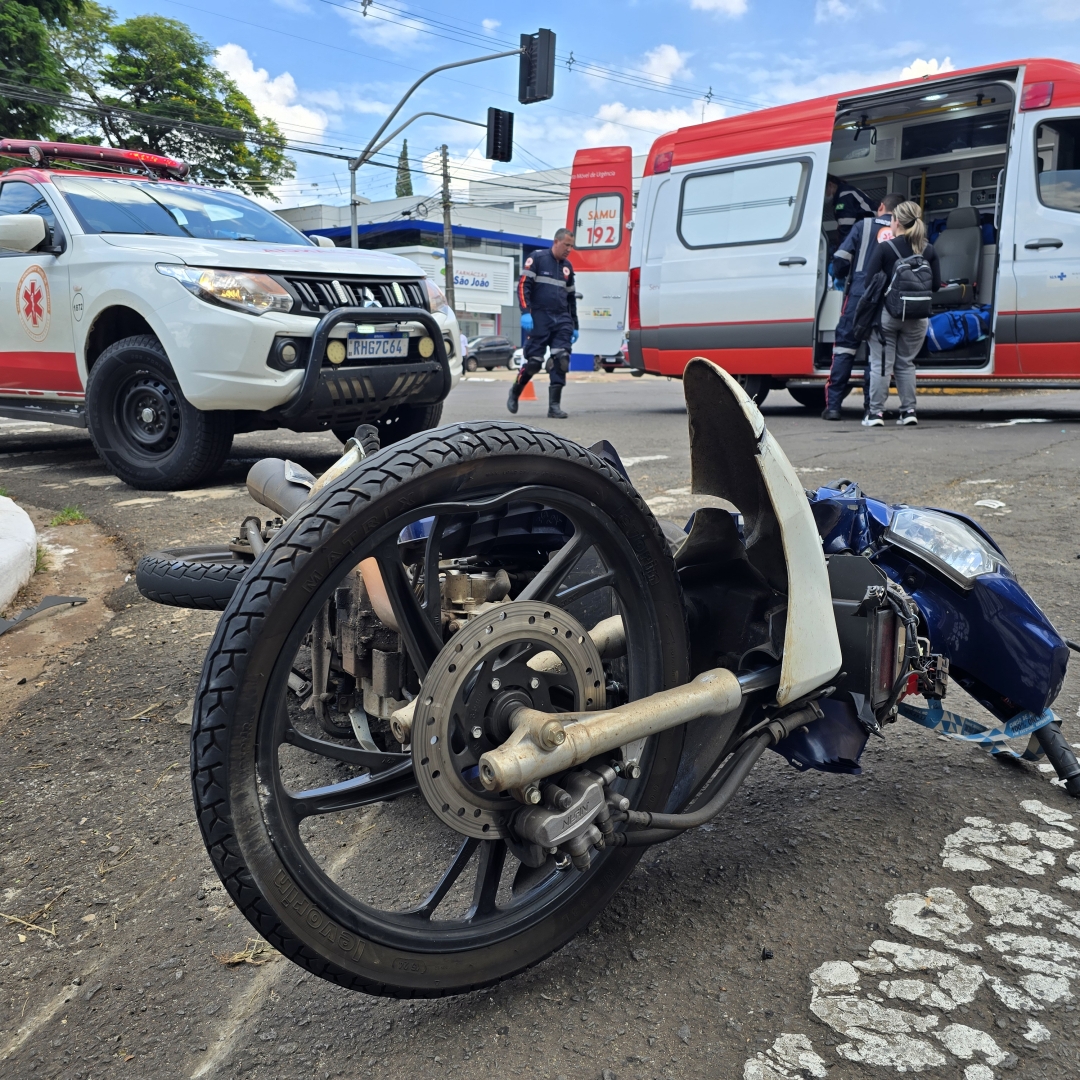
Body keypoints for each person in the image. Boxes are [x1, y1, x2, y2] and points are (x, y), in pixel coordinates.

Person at [822, 193, 903, 421]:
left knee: (844, 349)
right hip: (889, 296)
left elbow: (840, 259)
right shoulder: (904, 229)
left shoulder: (862, 225)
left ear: (880, 207)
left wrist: (839, 276)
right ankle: (871, 408)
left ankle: (834, 407)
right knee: (876, 354)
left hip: (860, 292)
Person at [861, 200, 941, 427]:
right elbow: (935, 285)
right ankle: (908, 412)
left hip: (888, 315)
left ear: (896, 221)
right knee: (906, 363)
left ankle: (876, 414)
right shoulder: (930, 250)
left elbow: (869, 282)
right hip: (917, 318)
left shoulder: (885, 248)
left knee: (881, 364)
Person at [507, 227, 579, 419]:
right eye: (566, 245)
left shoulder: (567, 267)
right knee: (534, 363)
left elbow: (571, 299)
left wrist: (575, 325)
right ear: (556, 241)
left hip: (561, 318)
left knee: (562, 359)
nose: (569, 249)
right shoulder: (537, 258)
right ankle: (515, 391)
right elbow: (523, 285)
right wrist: (525, 312)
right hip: (539, 316)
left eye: (571, 246)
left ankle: (554, 407)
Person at [825, 175, 874, 248]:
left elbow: (846, 227)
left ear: (830, 185)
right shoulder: (844, 192)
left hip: (869, 231)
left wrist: (841, 248)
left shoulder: (844, 196)